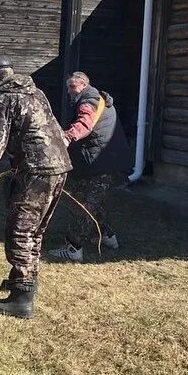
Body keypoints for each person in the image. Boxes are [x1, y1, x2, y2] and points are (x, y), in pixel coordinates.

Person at [0, 55, 71, 319]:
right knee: (35, 230)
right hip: (60, 166)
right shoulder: (35, 91)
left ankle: (22, 300)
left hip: (36, 171)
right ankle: (23, 280)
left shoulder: (2, 97)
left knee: (19, 232)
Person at [48, 71, 133, 262]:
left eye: (73, 87)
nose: (69, 91)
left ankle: (73, 248)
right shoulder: (96, 98)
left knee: (83, 204)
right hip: (103, 160)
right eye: (68, 87)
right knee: (93, 201)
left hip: (99, 162)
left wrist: (67, 137)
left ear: (84, 84)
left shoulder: (89, 101)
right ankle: (108, 237)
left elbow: (84, 123)